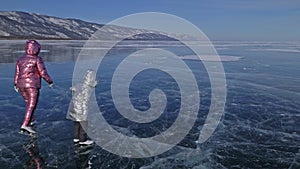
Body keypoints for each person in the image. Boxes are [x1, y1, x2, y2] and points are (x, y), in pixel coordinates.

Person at [14, 40, 54, 134]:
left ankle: (31, 120)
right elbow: (42, 72)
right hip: (32, 85)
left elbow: (17, 73)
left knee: (28, 103)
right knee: (32, 105)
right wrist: (50, 81)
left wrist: (16, 83)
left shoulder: (20, 59)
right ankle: (25, 125)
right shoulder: (37, 59)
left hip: (21, 85)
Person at [67, 69, 97, 145]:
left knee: (77, 123)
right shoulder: (88, 89)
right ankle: (82, 140)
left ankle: (76, 138)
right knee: (84, 124)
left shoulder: (79, 85)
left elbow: (72, 88)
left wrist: (72, 89)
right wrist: (85, 112)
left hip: (74, 107)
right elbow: (85, 101)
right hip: (81, 109)